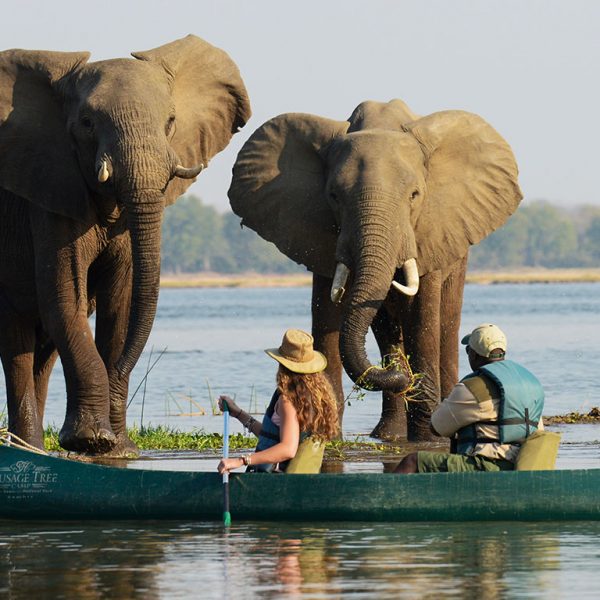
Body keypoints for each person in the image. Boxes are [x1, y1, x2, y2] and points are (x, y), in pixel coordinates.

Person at [395, 323, 545, 473]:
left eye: (468, 350)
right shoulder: (529, 384)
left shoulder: (472, 387)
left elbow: (436, 427)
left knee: (411, 461)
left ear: (474, 355)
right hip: (522, 465)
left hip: (486, 467)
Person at [217, 329, 339, 474]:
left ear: (282, 364)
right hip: (304, 481)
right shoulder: (318, 397)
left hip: (278, 483)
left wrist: (240, 461)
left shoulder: (288, 400)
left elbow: (288, 449)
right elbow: (274, 436)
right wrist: (238, 414)